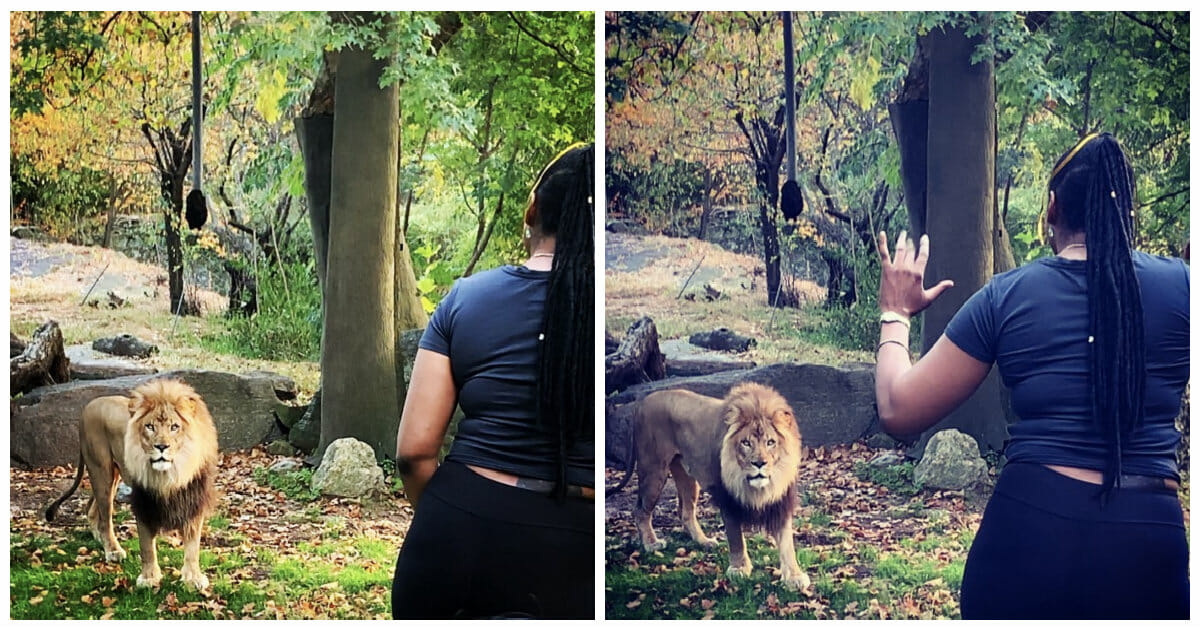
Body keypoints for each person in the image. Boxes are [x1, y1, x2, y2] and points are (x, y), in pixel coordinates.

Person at [873, 132, 1188, 620]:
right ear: (1129, 208)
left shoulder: (1007, 297)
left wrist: (895, 314)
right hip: (1148, 551)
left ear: (1053, 209)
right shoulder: (1183, 288)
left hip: (1027, 542)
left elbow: (897, 408)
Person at [390, 144, 595, 619]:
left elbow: (413, 453)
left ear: (532, 212)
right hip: (574, 560)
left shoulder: (464, 300)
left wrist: (456, 514)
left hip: (454, 542)